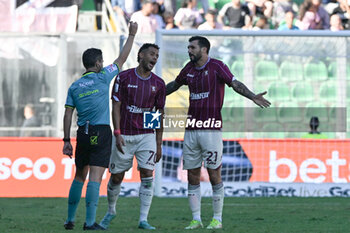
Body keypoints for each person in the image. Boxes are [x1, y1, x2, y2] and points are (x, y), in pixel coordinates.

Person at [166, 36, 271, 230]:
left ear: (204, 49)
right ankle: (196, 219)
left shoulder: (217, 66)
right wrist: (153, 96)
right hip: (191, 130)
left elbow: (235, 83)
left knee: (214, 173)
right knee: (192, 175)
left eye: (192, 47)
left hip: (211, 129)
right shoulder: (188, 69)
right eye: (188, 47)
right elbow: (174, 85)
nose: (189, 50)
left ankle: (217, 218)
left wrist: (252, 96)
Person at [62, 22, 138, 230]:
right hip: (100, 131)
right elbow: (122, 59)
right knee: (95, 177)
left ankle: (69, 220)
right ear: (96, 63)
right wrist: (131, 35)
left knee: (79, 175)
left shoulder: (75, 86)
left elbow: (68, 113)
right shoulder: (103, 77)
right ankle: (89, 223)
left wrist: (66, 140)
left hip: (82, 133)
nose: (103, 64)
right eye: (101, 61)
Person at [99, 43, 166, 230]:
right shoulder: (123, 77)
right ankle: (111, 210)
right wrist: (117, 132)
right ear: (141, 55)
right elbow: (117, 106)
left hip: (146, 135)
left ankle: (143, 219)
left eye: (157, 56)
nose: (154, 58)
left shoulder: (158, 84)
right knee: (117, 177)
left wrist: (158, 143)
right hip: (125, 135)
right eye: (152, 54)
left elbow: (158, 113)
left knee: (147, 174)